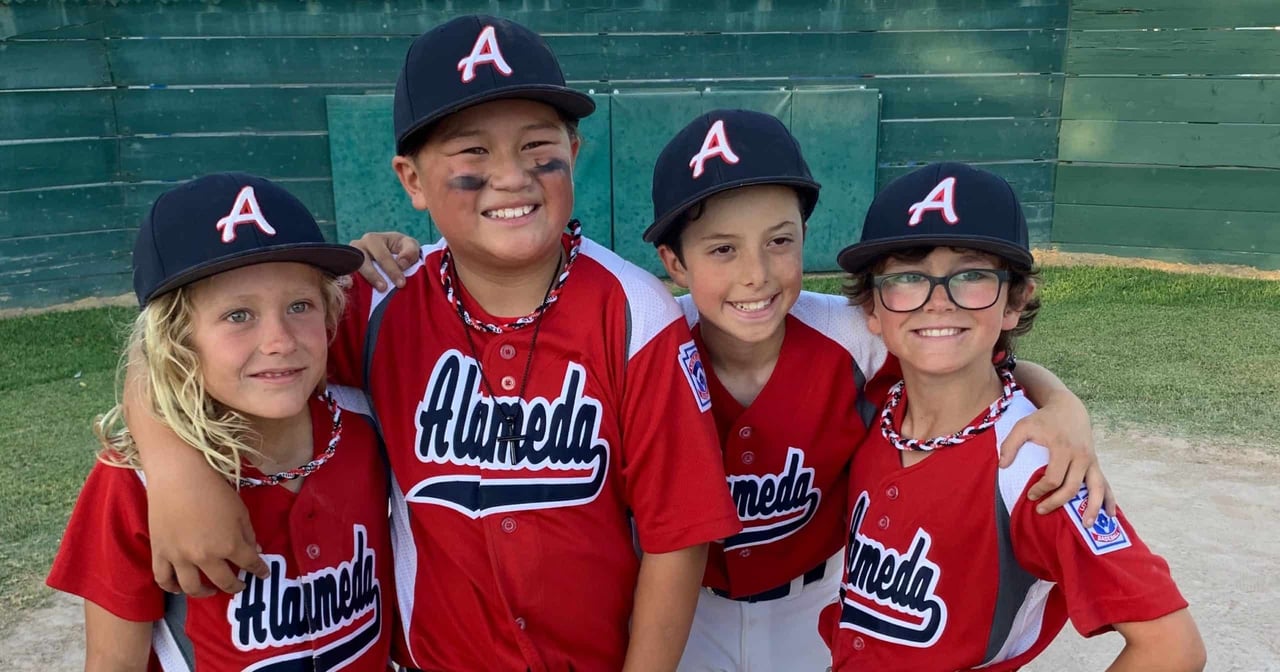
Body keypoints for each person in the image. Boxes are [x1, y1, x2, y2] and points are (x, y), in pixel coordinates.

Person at [125, 16, 742, 672]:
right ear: (412, 181)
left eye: (537, 146)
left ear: (574, 152)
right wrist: (175, 471)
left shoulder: (634, 312)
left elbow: (680, 536)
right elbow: (172, 350)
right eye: (472, 153)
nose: (511, 177)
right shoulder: (378, 299)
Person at [639, 110, 1110, 671]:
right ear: (674, 262)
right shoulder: (650, 339)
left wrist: (1061, 404)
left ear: (805, 237)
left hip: (819, 605)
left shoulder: (853, 333)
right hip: (689, 611)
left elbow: (980, 359)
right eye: (722, 250)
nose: (756, 274)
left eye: (779, 240)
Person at [820, 162, 1205, 671]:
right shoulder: (879, 399)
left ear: (1014, 302)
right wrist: (1062, 398)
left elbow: (1172, 647)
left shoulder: (1035, 469)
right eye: (908, 277)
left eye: (973, 276)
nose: (938, 303)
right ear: (873, 307)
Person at [46, 173, 395, 671]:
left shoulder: (364, 426)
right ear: (178, 340)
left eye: (300, 306)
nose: (279, 340)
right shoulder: (132, 483)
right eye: (238, 316)